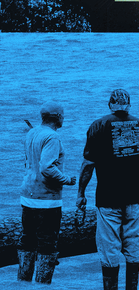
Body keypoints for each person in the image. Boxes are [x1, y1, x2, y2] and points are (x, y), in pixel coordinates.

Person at [76, 89, 139, 290]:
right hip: (137, 198)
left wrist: (81, 193)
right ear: (129, 105)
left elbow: (88, 165)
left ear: (110, 104)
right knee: (134, 249)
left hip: (108, 199)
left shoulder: (98, 126)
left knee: (109, 252)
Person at [17, 102, 76, 284]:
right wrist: (67, 179)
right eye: (63, 115)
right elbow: (46, 167)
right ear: (57, 117)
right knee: (48, 244)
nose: (64, 117)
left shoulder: (32, 132)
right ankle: (42, 285)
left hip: (28, 197)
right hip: (47, 200)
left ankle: (23, 282)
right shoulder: (53, 138)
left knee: (28, 240)